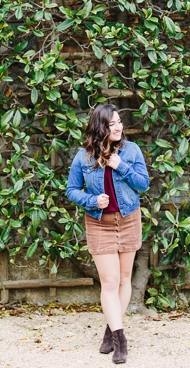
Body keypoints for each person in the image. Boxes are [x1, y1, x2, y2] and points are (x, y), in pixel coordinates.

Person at [66, 104, 150, 364]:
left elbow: (143, 184)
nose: (118, 127)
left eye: (119, 122)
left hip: (128, 219)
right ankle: (121, 340)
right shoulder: (84, 157)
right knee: (111, 281)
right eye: (112, 123)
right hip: (99, 223)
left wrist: (120, 166)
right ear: (99, 127)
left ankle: (111, 330)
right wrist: (92, 200)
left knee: (125, 278)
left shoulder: (131, 151)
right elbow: (71, 190)